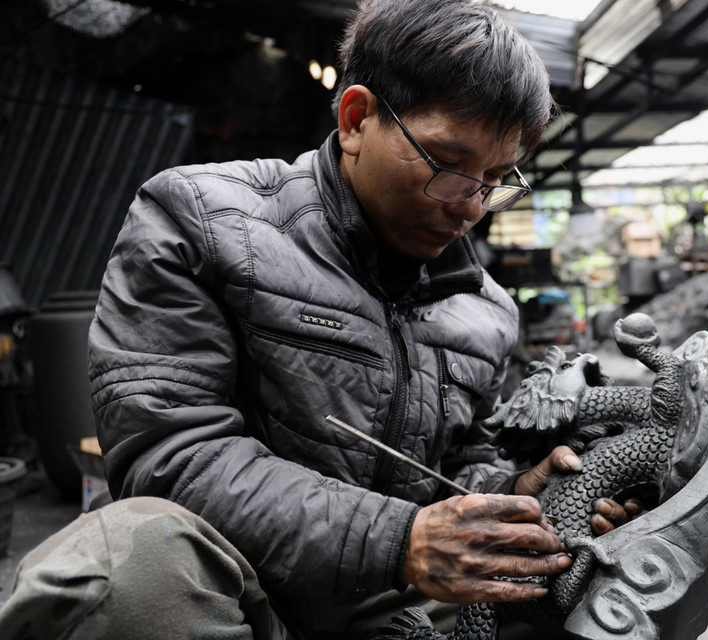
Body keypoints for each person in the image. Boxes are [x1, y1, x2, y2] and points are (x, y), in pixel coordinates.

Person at [0, 1, 633, 638]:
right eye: (447, 165)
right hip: (239, 587)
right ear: (357, 119)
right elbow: (169, 456)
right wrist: (401, 539)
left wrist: (516, 492)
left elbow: (456, 466)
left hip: (393, 596)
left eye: (494, 178)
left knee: (598, 581)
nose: (470, 207)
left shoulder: (484, 309)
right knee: (128, 563)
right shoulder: (201, 221)